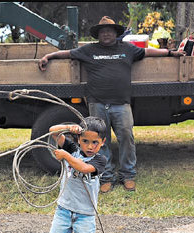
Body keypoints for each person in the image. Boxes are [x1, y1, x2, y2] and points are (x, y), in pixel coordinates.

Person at [38, 16, 186, 193]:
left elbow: (147, 52)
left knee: (127, 139)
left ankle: (128, 175)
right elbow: (68, 53)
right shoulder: (89, 50)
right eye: (102, 31)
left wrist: (171, 53)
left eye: (109, 31)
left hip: (121, 104)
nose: (106, 33)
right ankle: (105, 176)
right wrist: (49, 56)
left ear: (116, 33)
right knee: (99, 141)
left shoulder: (127, 49)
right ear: (98, 34)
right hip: (97, 104)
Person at [41, 116, 107, 233]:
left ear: (102, 143)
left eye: (95, 142)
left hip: (85, 215)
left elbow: (85, 168)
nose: (89, 146)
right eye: (85, 141)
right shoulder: (72, 148)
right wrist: (69, 127)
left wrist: (67, 157)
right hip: (63, 210)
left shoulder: (100, 160)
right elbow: (53, 131)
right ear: (79, 139)